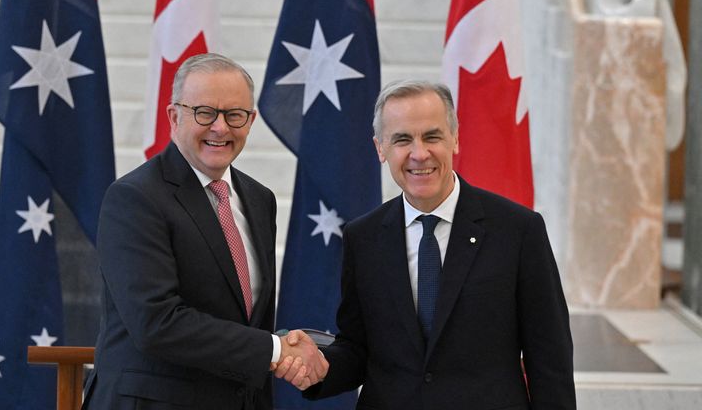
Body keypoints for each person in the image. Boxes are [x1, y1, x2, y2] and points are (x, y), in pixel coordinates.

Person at [288, 80, 576, 409]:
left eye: (432, 136)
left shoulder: (518, 230)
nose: (419, 153)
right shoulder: (363, 237)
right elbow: (359, 349)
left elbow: (549, 357)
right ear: (380, 149)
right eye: (402, 140)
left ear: (455, 138)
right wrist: (320, 367)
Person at [82, 53, 326, 410]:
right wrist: (275, 349)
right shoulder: (135, 198)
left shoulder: (260, 199)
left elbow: (247, 319)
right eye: (205, 112)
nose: (220, 128)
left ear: (251, 120)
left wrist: (278, 350)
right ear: (174, 116)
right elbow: (156, 323)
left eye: (234, 114)